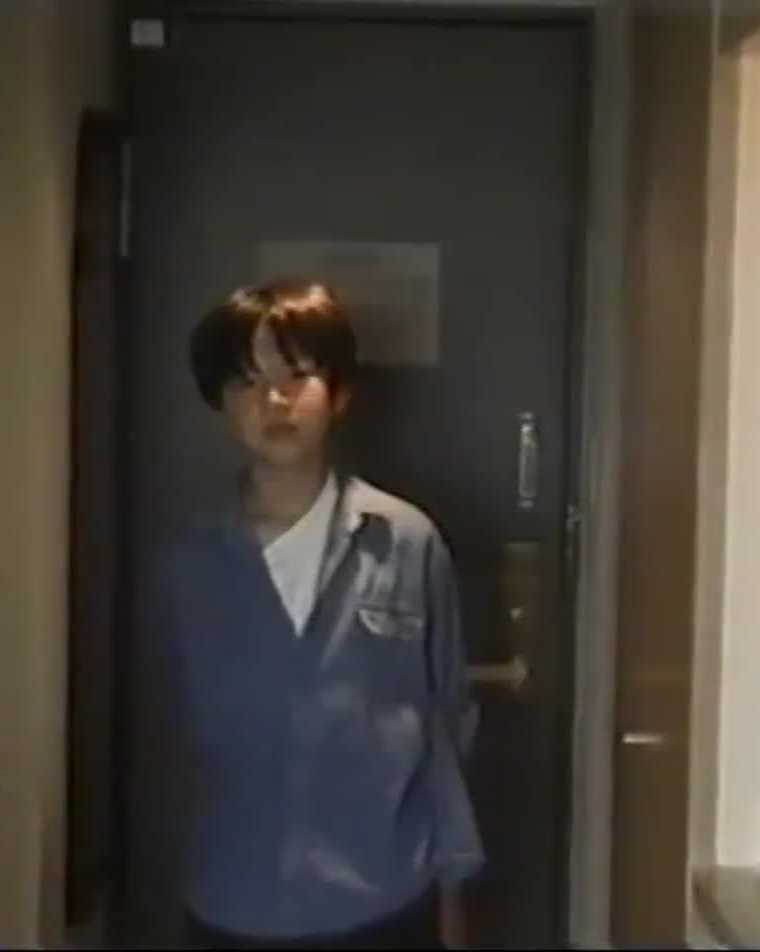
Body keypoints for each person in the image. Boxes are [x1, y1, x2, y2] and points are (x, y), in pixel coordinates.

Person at [139, 279, 484, 950]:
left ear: (339, 393)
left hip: (387, 898)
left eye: (297, 376)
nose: (275, 401)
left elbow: (445, 722)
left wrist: (454, 887)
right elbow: (167, 744)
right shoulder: (187, 566)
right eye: (247, 382)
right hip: (233, 902)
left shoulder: (405, 542)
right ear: (219, 403)